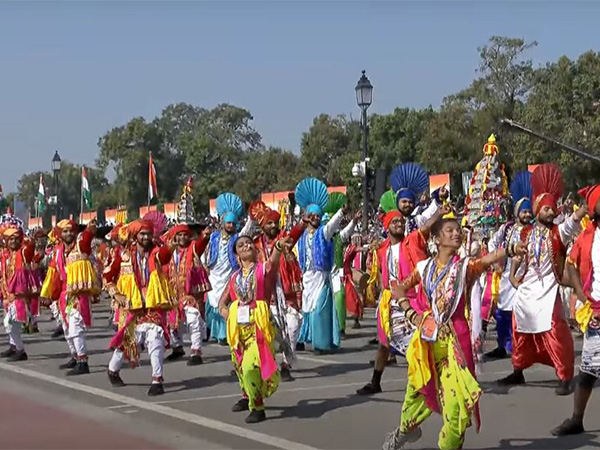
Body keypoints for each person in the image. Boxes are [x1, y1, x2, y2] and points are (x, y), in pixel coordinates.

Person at [382, 218, 526, 450]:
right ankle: (403, 432)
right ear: (437, 239)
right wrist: (412, 314)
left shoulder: (464, 267)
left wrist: (510, 249)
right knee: (414, 396)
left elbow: (486, 259)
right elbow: (398, 288)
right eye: (449, 231)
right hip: (427, 345)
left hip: (455, 346)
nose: (456, 234)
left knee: (457, 409)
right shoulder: (424, 268)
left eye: (458, 230)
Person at [498, 164, 586, 395]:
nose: (551, 212)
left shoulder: (558, 233)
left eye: (552, 209)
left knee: (556, 330)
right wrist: (515, 276)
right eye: (546, 209)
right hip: (527, 289)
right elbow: (519, 255)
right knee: (520, 330)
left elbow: (573, 221)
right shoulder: (527, 233)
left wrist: (585, 206)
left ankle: (564, 376)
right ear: (537, 210)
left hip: (548, 289)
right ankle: (518, 371)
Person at [357, 190, 450, 396]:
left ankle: (426, 382)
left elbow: (425, 227)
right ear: (387, 227)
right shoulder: (382, 249)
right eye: (395, 222)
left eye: (401, 222)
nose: (399, 224)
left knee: (415, 343)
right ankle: (375, 381)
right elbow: (381, 275)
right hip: (389, 302)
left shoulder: (413, 240)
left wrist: (439, 213)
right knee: (383, 344)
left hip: (412, 300)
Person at [218, 234, 291, 423]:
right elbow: (222, 302)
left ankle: (258, 407)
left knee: (251, 366)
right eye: (240, 245)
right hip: (238, 331)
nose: (246, 246)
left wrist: (278, 247)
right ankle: (247, 396)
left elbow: (274, 263)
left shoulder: (262, 270)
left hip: (258, 328)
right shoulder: (234, 278)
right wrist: (227, 311)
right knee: (241, 367)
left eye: (249, 243)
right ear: (236, 256)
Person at [105, 219, 176, 396]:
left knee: (155, 337)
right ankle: (112, 370)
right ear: (136, 236)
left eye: (148, 234)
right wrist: (116, 294)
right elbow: (108, 276)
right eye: (142, 234)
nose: (146, 237)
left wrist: (170, 247)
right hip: (131, 306)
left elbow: (164, 256)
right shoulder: (123, 255)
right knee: (129, 342)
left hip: (153, 304)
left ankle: (157, 379)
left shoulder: (155, 252)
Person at [552, 184, 600, 436]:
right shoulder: (586, 237)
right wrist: (581, 295)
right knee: (588, 372)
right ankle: (576, 420)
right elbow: (569, 265)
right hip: (597, 314)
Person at [247, 201, 305, 381]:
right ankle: (265, 364)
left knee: (293, 326)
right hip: (266, 293)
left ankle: (286, 365)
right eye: (269, 223)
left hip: (287, 291)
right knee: (269, 332)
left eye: (275, 222)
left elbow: (294, 234)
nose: (273, 226)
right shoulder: (255, 244)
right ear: (262, 226)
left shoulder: (284, 239)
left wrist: (302, 224)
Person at [40, 219, 99, 375]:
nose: (68, 234)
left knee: (75, 328)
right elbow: (54, 275)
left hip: (79, 294)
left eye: (71, 230)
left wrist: (89, 231)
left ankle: (83, 361)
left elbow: (86, 239)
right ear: (60, 234)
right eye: (65, 231)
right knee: (66, 329)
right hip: (63, 295)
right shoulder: (58, 251)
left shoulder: (81, 246)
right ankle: (75, 356)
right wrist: (48, 294)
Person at [294, 178, 346, 353]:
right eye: (312, 215)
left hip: (321, 276)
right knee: (307, 308)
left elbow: (331, 226)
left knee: (319, 309)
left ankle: (321, 343)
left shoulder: (323, 233)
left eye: (318, 215)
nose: (315, 218)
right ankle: (304, 337)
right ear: (307, 217)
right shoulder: (300, 237)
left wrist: (340, 213)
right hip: (307, 276)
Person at [485, 171, 533, 359]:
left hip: (525, 279)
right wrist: (496, 262)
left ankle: (519, 349)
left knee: (520, 316)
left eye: (529, 211)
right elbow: (491, 244)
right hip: (506, 279)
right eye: (524, 211)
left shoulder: (535, 231)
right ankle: (502, 346)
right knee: (503, 314)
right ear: (517, 212)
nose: (527, 214)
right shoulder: (507, 229)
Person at [204, 193, 251, 344]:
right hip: (215, 274)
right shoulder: (213, 237)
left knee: (228, 302)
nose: (230, 225)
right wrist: (205, 265)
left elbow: (247, 231)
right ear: (223, 221)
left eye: (232, 223)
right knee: (212, 303)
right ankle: (215, 334)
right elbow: (206, 253)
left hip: (230, 274)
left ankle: (226, 334)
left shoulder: (237, 238)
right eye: (228, 223)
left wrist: (252, 217)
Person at [165, 224, 211, 365]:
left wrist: (205, 236)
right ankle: (177, 348)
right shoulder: (169, 252)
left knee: (193, 319)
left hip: (190, 293)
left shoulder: (193, 248)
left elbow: (201, 244)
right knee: (171, 323)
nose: (182, 237)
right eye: (179, 235)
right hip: (173, 293)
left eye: (185, 234)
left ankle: (196, 351)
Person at [0, 220, 38, 361]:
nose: (14, 241)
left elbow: (30, 250)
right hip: (8, 295)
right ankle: (14, 347)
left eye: (16, 239)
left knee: (9, 324)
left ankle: (20, 351)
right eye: (11, 239)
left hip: (19, 297)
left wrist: (31, 242)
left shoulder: (22, 253)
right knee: (10, 324)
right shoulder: (7, 256)